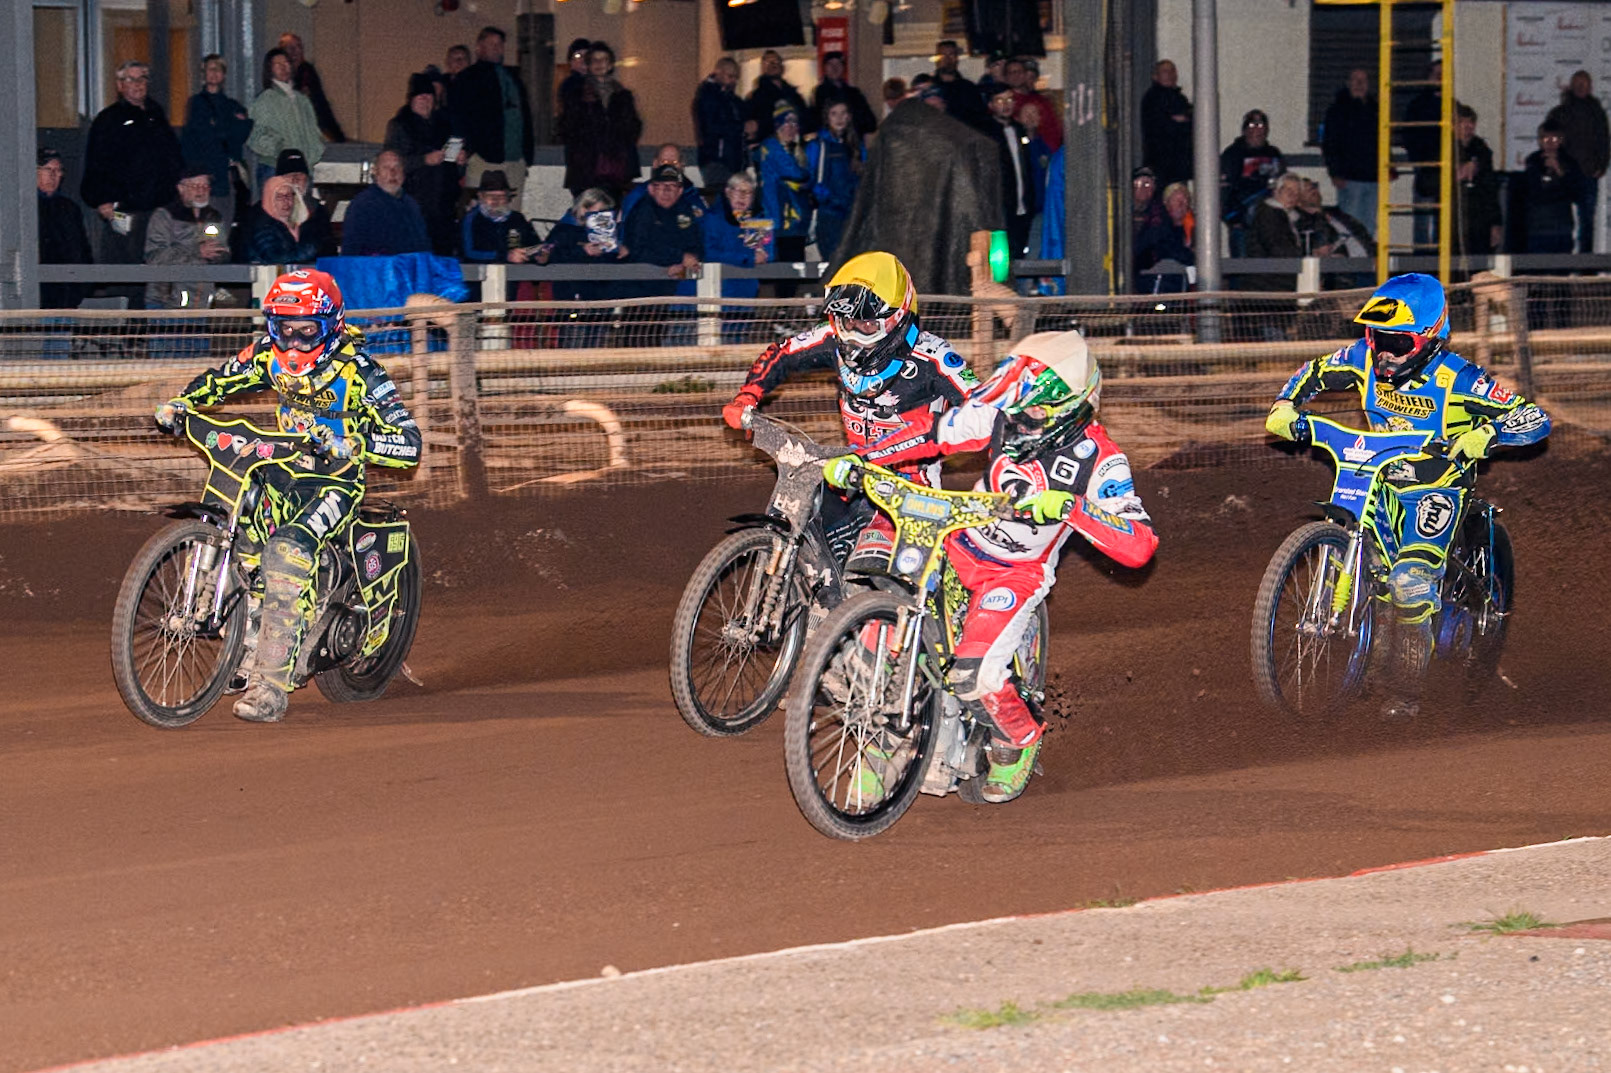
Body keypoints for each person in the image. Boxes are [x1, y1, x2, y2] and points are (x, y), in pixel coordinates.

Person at [823, 331, 1158, 801]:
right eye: (1015, 407)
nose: (1018, 419)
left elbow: (1140, 545)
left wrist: (1071, 507)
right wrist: (860, 460)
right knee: (883, 626)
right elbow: (930, 432)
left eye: (1032, 412)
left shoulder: (1102, 461)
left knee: (974, 674)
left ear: (1070, 409)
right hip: (957, 539)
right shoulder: (1002, 414)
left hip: (1015, 572)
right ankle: (886, 742)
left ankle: (1018, 738)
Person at [1264, 274, 1550, 720]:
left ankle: (1406, 694)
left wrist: (1487, 434)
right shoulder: (1361, 358)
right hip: (1376, 480)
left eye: (1398, 342)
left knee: (1408, 582)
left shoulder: (1459, 378)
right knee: (1372, 573)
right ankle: (1369, 661)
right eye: (1377, 338)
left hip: (1436, 489)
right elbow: (1312, 373)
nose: (1384, 353)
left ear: (1429, 338)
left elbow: (1534, 417)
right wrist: (1285, 405)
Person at [154, 269, 421, 723]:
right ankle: (245, 646)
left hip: (335, 482)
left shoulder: (361, 372)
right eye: (283, 329)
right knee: (242, 543)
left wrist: (354, 444)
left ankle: (271, 688)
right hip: (281, 472)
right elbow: (221, 379)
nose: (293, 342)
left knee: (285, 554)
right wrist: (182, 403)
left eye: (306, 331)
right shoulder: (266, 355)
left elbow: (410, 444)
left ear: (332, 325)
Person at [721, 251, 978, 572]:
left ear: (897, 318)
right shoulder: (832, 337)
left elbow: (985, 406)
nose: (853, 334)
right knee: (804, 518)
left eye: (866, 324)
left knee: (869, 571)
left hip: (908, 491)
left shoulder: (934, 358)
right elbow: (783, 353)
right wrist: (748, 396)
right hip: (850, 473)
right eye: (847, 322)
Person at [80, 60, 184, 267]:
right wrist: (102, 200)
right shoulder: (109, 119)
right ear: (120, 85)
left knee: (158, 261)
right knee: (124, 261)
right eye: (131, 79)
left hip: (158, 206)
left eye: (142, 79)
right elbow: (96, 162)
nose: (137, 84)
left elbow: (172, 156)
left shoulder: (156, 115)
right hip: (123, 208)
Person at [622, 164, 704, 343]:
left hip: (671, 293)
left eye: (672, 186)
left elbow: (696, 248)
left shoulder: (685, 211)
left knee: (660, 343)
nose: (667, 191)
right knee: (636, 344)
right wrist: (677, 258)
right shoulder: (642, 211)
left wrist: (683, 265)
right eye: (661, 186)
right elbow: (638, 250)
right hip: (640, 292)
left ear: (680, 191)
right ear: (651, 188)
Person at [450, 26, 535, 197]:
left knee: (511, 211)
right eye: (492, 44)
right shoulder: (467, 78)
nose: (497, 48)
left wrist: (527, 154)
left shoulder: (513, 78)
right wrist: (455, 154)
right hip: (483, 157)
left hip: (515, 159)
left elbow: (524, 116)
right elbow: (456, 119)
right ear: (479, 47)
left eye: (500, 44)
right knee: (479, 208)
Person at [537, 188, 628, 346]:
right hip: (572, 298)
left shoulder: (611, 233)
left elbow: (614, 263)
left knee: (596, 343)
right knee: (573, 341)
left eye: (604, 212)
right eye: (597, 211)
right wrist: (581, 251)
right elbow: (550, 256)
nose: (600, 216)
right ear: (583, 208)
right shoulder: (564, 230)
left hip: (601, 299)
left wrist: (619, 250)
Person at [385, 72, 459, 256]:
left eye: (429, 97)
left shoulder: (444, 123)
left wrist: (460, 157)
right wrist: (423, 160)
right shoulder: (400, 125)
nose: (425, 101)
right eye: (420, 97)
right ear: (411, 99)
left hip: (443, 203)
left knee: (441, 253)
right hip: (414, 202)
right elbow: (392, 162)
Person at [557, 42, 642, 200]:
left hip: (616, 169)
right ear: (588, 65)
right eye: (594, 60)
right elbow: (567, 126)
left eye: (603, 59)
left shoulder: (623, 96)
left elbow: (633, 126)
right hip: (586, 168)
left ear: (610, 65)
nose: (599, 64)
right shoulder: (576, 94)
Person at [180, 53, 253, 227]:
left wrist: (219, 127)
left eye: (218, 69)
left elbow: (241, 133)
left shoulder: (232, 105)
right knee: (208, 227)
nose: (213, 73)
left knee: (226, 224)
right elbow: (199, 138)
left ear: (224, 74)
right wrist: (227, 126)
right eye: (209, 69)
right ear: (203, 74)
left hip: (226, 178)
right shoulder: (196, 103)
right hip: (205, 178)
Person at [143, 165, 229, 309]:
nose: (201, 191)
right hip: (166, 303)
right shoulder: (164, 216)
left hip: (201, 303)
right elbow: (154, 256)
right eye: (195, 186)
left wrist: (220, 254)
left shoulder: (213, 216)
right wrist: (196, 251)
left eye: (205, 186)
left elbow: (222, 251)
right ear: (181, 188)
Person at [701, 172, 772, 341]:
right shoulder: (712, 218)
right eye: (738, 191)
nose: (742, 197)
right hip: (716, 289)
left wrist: (751, 256)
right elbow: (708, 253)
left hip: (746, 291)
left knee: (738, 338)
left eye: (748, 192)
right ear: (727, 192)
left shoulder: (758, 220)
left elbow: (764, 255)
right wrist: (746, 257)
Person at [1545, 69, 1609, 253]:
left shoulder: (1597, 112)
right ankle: (1561, 259)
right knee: (1561, 218)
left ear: (1591, 87)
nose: (1581, 87)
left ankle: (1585, 262)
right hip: (1564, 174)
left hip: (1588, 173)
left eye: (1585, 84)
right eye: (1578, 84)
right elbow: (1549, 138)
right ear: (1572, 86)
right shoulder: (1559, 112)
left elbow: (1604, 140)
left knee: (1587, 221)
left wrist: (1601, 165)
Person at [247, 48, 323, 193]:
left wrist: (313, 155)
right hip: (275, 168)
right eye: (278, 64)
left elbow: (314, 132)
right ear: (270, 69)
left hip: (303, 169)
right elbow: (256, 135)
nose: (283, 67)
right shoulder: (266, 100)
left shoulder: (302, 101)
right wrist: (280, 149)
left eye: (286, 63)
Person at [1509, 118, 1582, 257]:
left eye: (1554, 139)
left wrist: (1559, 170)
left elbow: (1576, 193)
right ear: (1540, 141)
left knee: (1561, 266)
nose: (1549, 143)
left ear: (1561, 140)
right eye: (1545, 139)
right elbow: (1532, 191)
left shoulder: (1570, 162)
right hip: (1538, 227)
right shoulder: (1533, 161)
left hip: (1561, 227)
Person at [1322, 68, 1381, 238]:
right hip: (1349, 178)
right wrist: (1335, 172)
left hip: (1372, 177)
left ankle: (1366, 253)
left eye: (1364, 80)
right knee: (1350, 224)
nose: (1360, 84)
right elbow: (1330, 144)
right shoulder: (1337, 111)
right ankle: (1350, 255)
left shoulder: (1376, 110)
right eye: (1356, 79)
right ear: (1348, 83)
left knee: (1369, 224)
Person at [1219, 108, 1285, 255]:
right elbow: (1224, 190)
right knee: (1242, 264)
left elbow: (1283, 183)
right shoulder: (1232, 154)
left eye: (1261, 125)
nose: (1257, 130)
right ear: (1244, 130)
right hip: (1242, 220)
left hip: (1270, 221)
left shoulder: (1273, 153)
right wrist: (1233, 218)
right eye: (1252, 125)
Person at [341, 151, 431, 257]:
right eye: (386, 168)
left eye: (397, 167)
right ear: (376, 172)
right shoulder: (363, 205)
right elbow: (352, 250)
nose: (393, 173)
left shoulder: (411, 205)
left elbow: (423, 245)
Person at [755, 104, 813, 267]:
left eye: (795, 123)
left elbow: (810, 179)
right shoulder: (770, 146)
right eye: (787, 122)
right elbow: (797, 174)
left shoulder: (798, 150)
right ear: (778, 125)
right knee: (774, 267)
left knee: (795, 267)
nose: (791, 127)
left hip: (796, 220)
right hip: (774, 218)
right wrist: (803, 179)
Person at [807, 101, 865, 262]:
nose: (839, 118)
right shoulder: (819, 145)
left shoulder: (855, 145)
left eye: (843, 113)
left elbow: (863, 178)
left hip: (852, 215)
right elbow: (813, 179)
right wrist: (830, 200)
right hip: (830, 215)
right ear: (827, 117)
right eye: (834, 114)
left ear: (849, 117)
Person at [36, 148, 93, 310]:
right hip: (36, 295)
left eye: (58, 170)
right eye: (48, 169)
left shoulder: (69, 208)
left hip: (67, 296)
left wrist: (83, 285)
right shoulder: (21, 208)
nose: (54, 175)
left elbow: (82, 249)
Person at [987, 84, 1035, 260]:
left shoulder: (1018, 129)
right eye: (1000, 100)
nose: (1006, 105)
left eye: (1009, 99)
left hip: (1022, 203)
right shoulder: (987, 133)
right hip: (1000, 205)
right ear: (991, 104)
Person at [1244, 172, 1309, 292]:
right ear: (1276, 192)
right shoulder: (1267, 215)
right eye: (1288, 190)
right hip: (1268, 283)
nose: (1292, 195)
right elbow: (1277, 247)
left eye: (1296, 192)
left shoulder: (1296, 217)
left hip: (1283, 280)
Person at [461, 170, 538, 270]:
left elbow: (533, 244)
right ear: (481, 196)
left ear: (508, 198)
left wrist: (538, 255)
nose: (495, 201)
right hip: (480, 273)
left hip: (514, 273)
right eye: (490, 196)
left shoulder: (517, 218)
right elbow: (468, 253)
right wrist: (506, 256)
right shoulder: (471, 220)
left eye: (501, 196)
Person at [1453, 103, 1502, 258]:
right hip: (1452, 219)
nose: (1468, 129)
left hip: (1480, 219)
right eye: (1462, 124)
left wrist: (1495, 223)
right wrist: (1453, 176)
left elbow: (1491, 190)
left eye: (1471, 124)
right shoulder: (1442, 150)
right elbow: (1425, 185)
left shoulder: (1482, 151)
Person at [277, 32, 345, 143]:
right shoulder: (278, 75)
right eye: (290, 48)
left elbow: (317, 106)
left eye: (298, 47)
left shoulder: (307, 72)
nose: (295, 51)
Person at [1403, 61, 1442, 252]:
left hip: (1447, 169)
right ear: (1428, 78)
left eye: (1443, 74)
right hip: (1425, 169)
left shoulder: (1452, 106)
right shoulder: (1417, 105)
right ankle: (1421, 259)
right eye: (1436, 74)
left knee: (1444, 217)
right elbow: (1408, 135)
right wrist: (1419, 160)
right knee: (1423, 217)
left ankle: (1440, 257)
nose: (1440, 78)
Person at [695, 57, 748, 192]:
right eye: (730, 76)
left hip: (730, 160)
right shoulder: (707, 96)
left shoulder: (729, 99)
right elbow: (712, 128)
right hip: (717, 160)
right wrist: (742, 128)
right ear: (718, 72)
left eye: (736, 78)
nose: (734, 81)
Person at [1133, 168, 1189, 294]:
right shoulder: (1120, 212)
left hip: (1158, 280)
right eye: (1140, 184)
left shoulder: (1161, 218)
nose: (1145, 189)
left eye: (1149, 185)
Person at [273, 150, 335, 259]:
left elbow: (328, 249)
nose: (295, 180)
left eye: (300, 176)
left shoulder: (318, 212)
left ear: (307, 180)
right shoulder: (265, 211)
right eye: (289, 176)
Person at [1140, 59, 1193, 187]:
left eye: (1172, 71)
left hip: (1180, 163)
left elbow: (1190, 121)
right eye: (1165, 71)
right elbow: (1164, 127)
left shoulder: (1179, 98)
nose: (1170, 74)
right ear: (1155, 76)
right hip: (1161, 163)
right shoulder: (1152, 98)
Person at [621, 144, 708, 221]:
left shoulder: (692, 195)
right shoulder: (639, 195)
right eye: (664, 161)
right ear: (655, 164)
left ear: (682, 165)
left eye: (674, 162)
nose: (669, 166)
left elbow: (704, 226)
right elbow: (626, 226)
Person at [246, 174, 319, 265]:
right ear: (269, 199)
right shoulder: (263, 226)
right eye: (279, 197)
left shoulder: (298, 224)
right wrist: (307, 251)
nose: (286, 201)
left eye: (289, 195)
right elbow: (275, 258)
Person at [747, 50, 812, 143]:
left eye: (776, 61)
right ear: (762, 67)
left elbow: (806, 120)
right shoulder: (755, 97)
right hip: (770, 145)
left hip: (796, 144)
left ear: (782, 66)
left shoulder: (794, 95)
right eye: (768, 62)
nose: (773, 65)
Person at [811, 51, 878, 137]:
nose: (834, 68)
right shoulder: (819, 94)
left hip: (852, 141)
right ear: (824, 68)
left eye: (838, 64)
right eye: (830, 64)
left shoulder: (854, 94)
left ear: (844, 68)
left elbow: (870, 124)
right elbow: (816, 122)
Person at [1006, 57, 1062, 151]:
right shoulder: (1006, 103)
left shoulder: (1041, 100)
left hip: (1049, 151)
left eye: (1019, 72)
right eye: (1012, 73)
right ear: (1006, 77)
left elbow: (1054, 127)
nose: (1016, 76)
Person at [932, 40, 989, 131]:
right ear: (936, 60)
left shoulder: (969, 88)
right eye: (943, 55)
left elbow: (980, 118)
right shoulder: (930, 88)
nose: (947, 60)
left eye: (951, 55)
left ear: (957, 58)